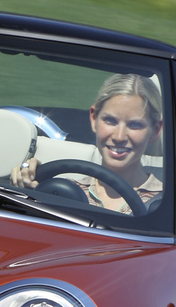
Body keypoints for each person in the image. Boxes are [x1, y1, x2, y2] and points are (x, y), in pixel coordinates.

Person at [11, 73, 163, 215]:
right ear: (94, 119)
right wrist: (27, 183)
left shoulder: (168, 203)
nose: (119, 136)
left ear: (155, 130)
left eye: (135, 124)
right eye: (110, 120)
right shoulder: (60, 191)